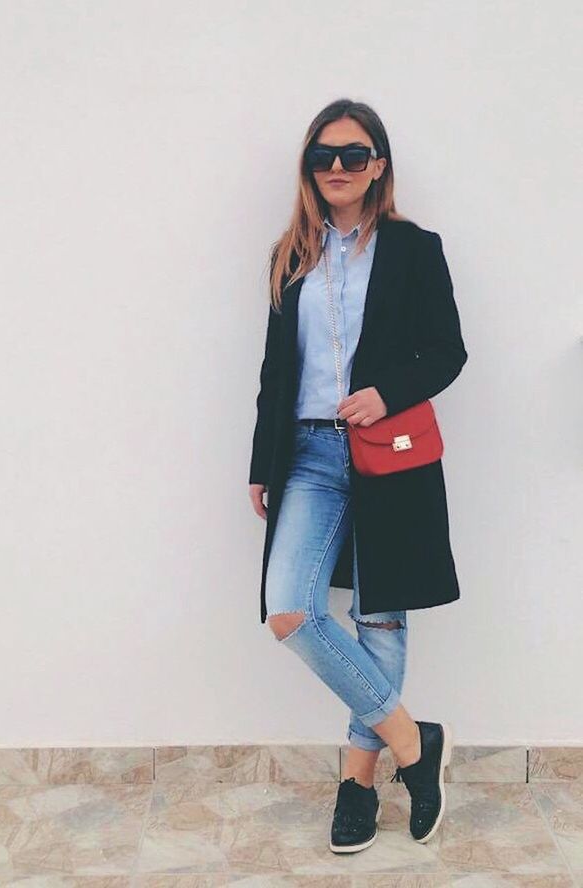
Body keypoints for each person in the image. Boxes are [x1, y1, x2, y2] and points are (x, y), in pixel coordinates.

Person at [248, 99, 468, 854]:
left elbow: (448, 352)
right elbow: (276, 372)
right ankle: (415, 741)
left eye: (354, 154)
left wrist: (389, 392)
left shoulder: (414, 248)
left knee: (379, 617)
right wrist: (259, 465)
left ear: (379, 165)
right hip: (307, 453)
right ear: (309, 168)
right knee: (290, 610)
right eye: (323, 156)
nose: (337, 168)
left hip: (389, 451)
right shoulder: (291, 254)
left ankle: (358, 782)